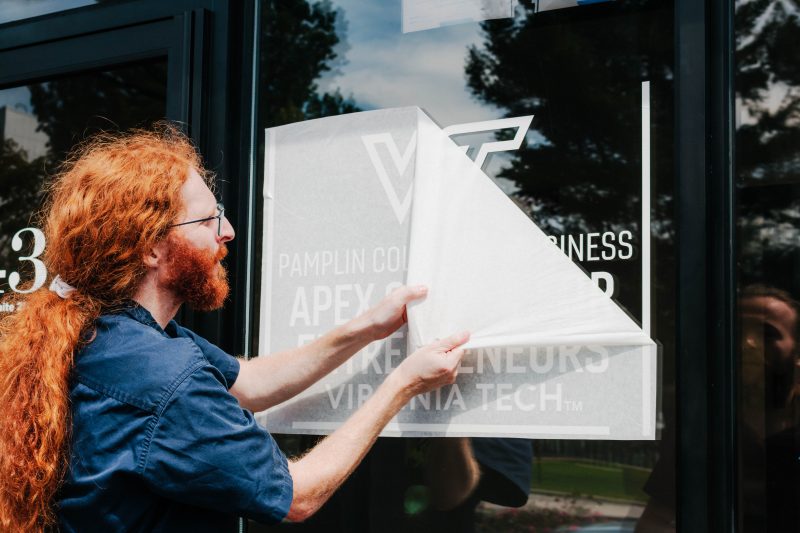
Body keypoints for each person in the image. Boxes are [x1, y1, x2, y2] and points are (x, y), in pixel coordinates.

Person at [0, 125, 469, 532]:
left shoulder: (115, 332)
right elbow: (298, 497)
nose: (228, 231)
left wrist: (367, 327)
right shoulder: (164, 378)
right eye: (207, 219)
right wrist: (403, 384)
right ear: (151, 249)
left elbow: (254, 381)